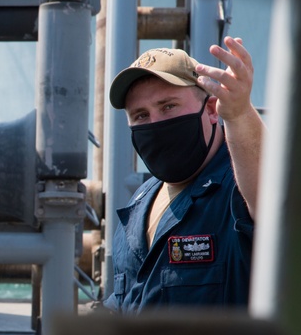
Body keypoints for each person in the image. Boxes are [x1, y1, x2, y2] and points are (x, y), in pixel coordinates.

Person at [103, 36, 265, 312]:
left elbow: (272, 202)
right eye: (141, 115)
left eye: (168, 107)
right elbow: (123, 302)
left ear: (212, 110)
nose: (155, 124)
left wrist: (239, 115)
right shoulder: (140, 202)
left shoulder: (238, 184)